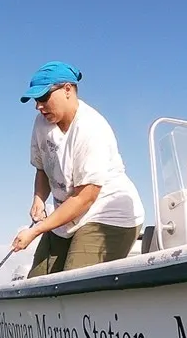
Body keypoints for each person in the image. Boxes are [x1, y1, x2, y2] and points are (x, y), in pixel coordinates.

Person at [10, 61, 145, 276]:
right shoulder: (41, 122)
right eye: (36, 100)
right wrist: (38, 199)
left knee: (72, 281)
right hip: (68, 215)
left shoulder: (91, 128)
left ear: (67, 90)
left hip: (106, 213)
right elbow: (43, 167)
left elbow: (85, 197)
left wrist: (34, 231)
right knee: (37, 281)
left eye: (44, 98)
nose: (38, 106)